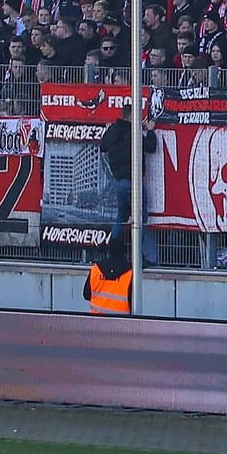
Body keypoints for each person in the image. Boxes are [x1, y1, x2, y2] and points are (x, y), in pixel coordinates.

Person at [100, 114, 158, 265]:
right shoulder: (133, 134)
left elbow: (103, 146)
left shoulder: (113, 132)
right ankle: (140, 256)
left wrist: (108, 132)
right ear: (132, 118)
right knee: (141, 220)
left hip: (119, 183)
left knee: (121, 217)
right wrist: (150, 131)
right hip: (135, 183)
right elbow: (151, 147)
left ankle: (112, 253)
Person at [83, 237, 134, 314]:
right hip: (121, 322)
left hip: (96, 320)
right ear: (125, 252)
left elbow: (86, 294)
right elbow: (133, 301)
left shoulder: (96, 269)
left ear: (108, 250)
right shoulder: (129, 272)